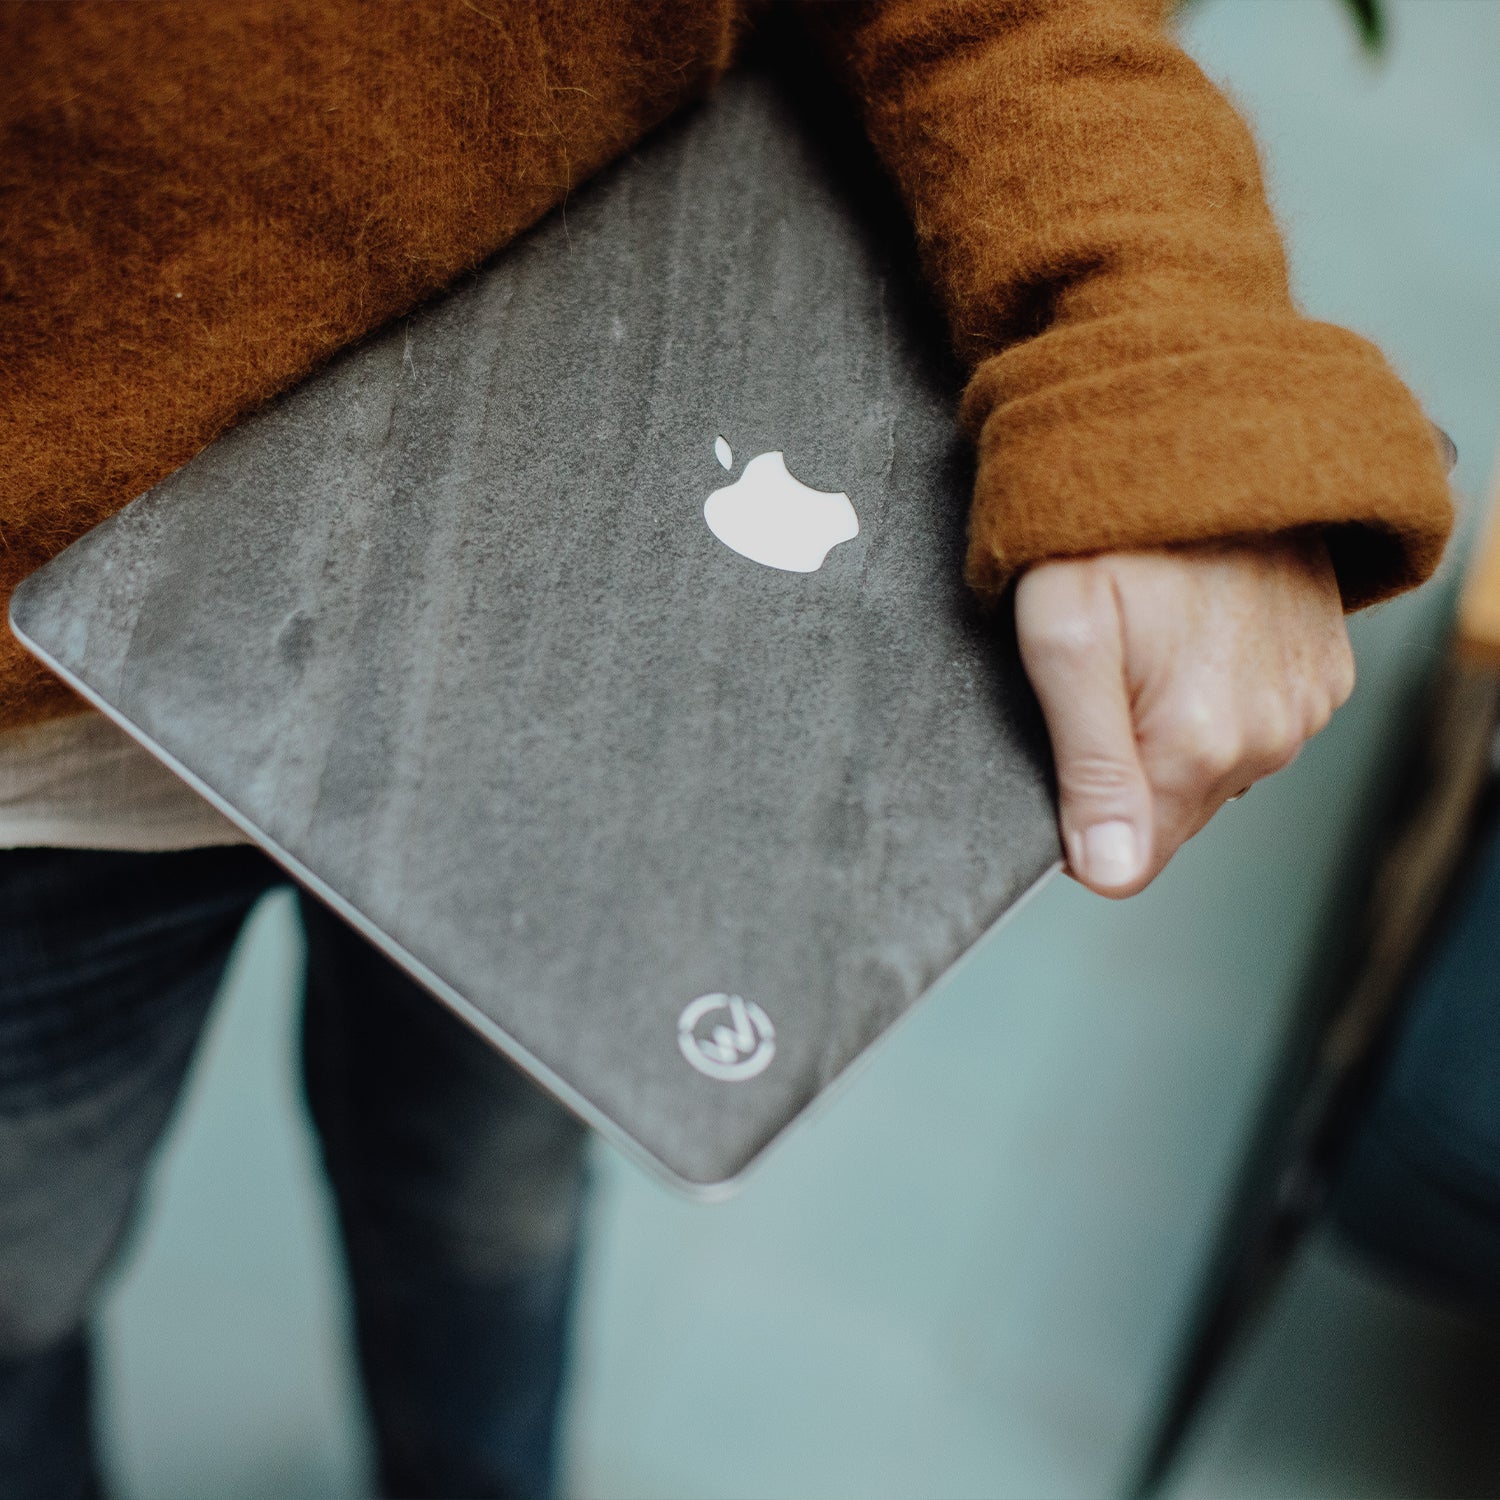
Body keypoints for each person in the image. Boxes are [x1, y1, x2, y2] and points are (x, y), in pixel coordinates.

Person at [0, 3, 1455, 1498]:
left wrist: (1164, 339)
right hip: (30, 761)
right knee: (17, 1291)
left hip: (576, 600)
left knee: (487, 1221)